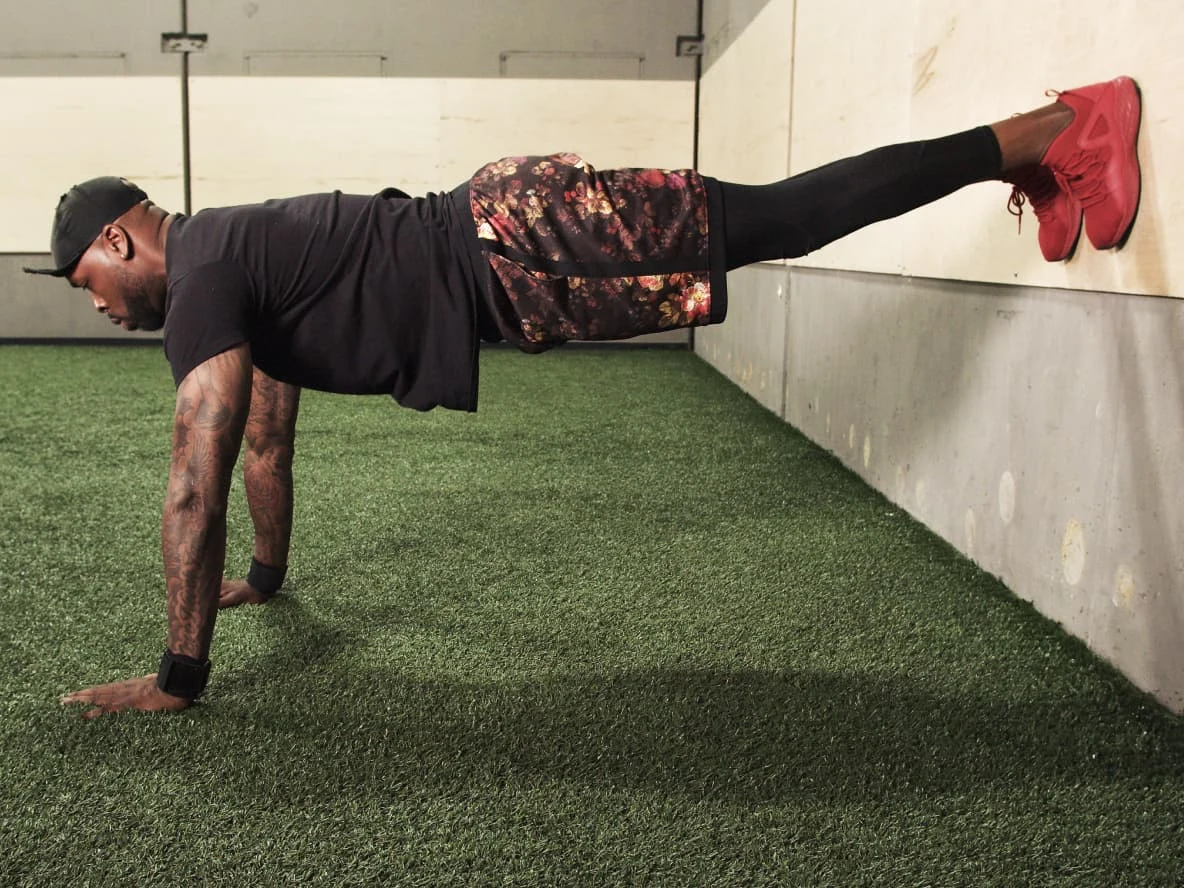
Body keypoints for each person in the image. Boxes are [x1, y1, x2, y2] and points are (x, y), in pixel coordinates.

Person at [26, 76, 1140, 718]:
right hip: (514, 256)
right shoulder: (230, 271)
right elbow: (263, 440)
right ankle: (1030, 157)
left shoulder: (207, 274)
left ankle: (1041, 134)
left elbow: (194, 479)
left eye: (91, 285)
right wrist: (262, 581)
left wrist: (177, 677)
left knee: (777, 221)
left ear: (123, 239)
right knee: (770, 224)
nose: (99, 307)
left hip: (519, 241)